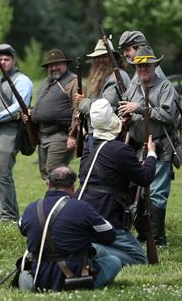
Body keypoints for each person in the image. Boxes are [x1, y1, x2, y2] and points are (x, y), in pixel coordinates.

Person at [75, 99, 156, 266]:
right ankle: (94, 250)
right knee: (139, 260)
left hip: (83, 211)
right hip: (107, 215)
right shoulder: (119, 150)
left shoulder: (89, 145)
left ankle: (91, 246)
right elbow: (145, 177)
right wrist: (151, 156)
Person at [19, 166, 122, 291]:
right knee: (113, 261)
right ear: (73, 187)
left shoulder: (30, 208)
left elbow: (23, 229)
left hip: (41, 278)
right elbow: (109, 235)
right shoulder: (82, 207)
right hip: (76, 276)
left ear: (48, 184)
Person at [119, 45, 180, 246]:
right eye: (139, 66)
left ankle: (158, 238)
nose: (143, 69)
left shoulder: (165, 87)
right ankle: (144, 234)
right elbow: (126, 112)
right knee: (137, 191)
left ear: (155, 66)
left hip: (160, 145)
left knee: (156, 192)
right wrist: (126, 118)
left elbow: (168, 116)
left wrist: (140, 108)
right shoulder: (133, 88)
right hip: (137, 147)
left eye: (147, 66)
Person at [0, 43, 33, 222]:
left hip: (10, 129)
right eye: (0, 59)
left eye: (7, 59)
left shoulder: (22, 80)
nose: (3, 62)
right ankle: (8, 213)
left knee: (1, 173)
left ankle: (9, 216)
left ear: (14, 60)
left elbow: (19, 106)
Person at [29, 49, 77, 180]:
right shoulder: (46, 82)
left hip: (60, 134)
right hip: (43, 134)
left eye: (58, 64)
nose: (54, 68)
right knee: (46, 173)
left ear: (65, 65)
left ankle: (62, 198)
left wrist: (73, 135)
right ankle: (54, 198)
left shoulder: (73, 82)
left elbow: (77, 111)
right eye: (51, 65)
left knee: (54, 172)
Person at [76, 38, 130, 152]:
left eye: (104, 56)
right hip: (97, 132)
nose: (100, 60)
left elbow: (104, 106)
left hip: (110, 135)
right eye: (98, 57)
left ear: (113, 58)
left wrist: (82, 102)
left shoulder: (117, 77)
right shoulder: (98, 78)